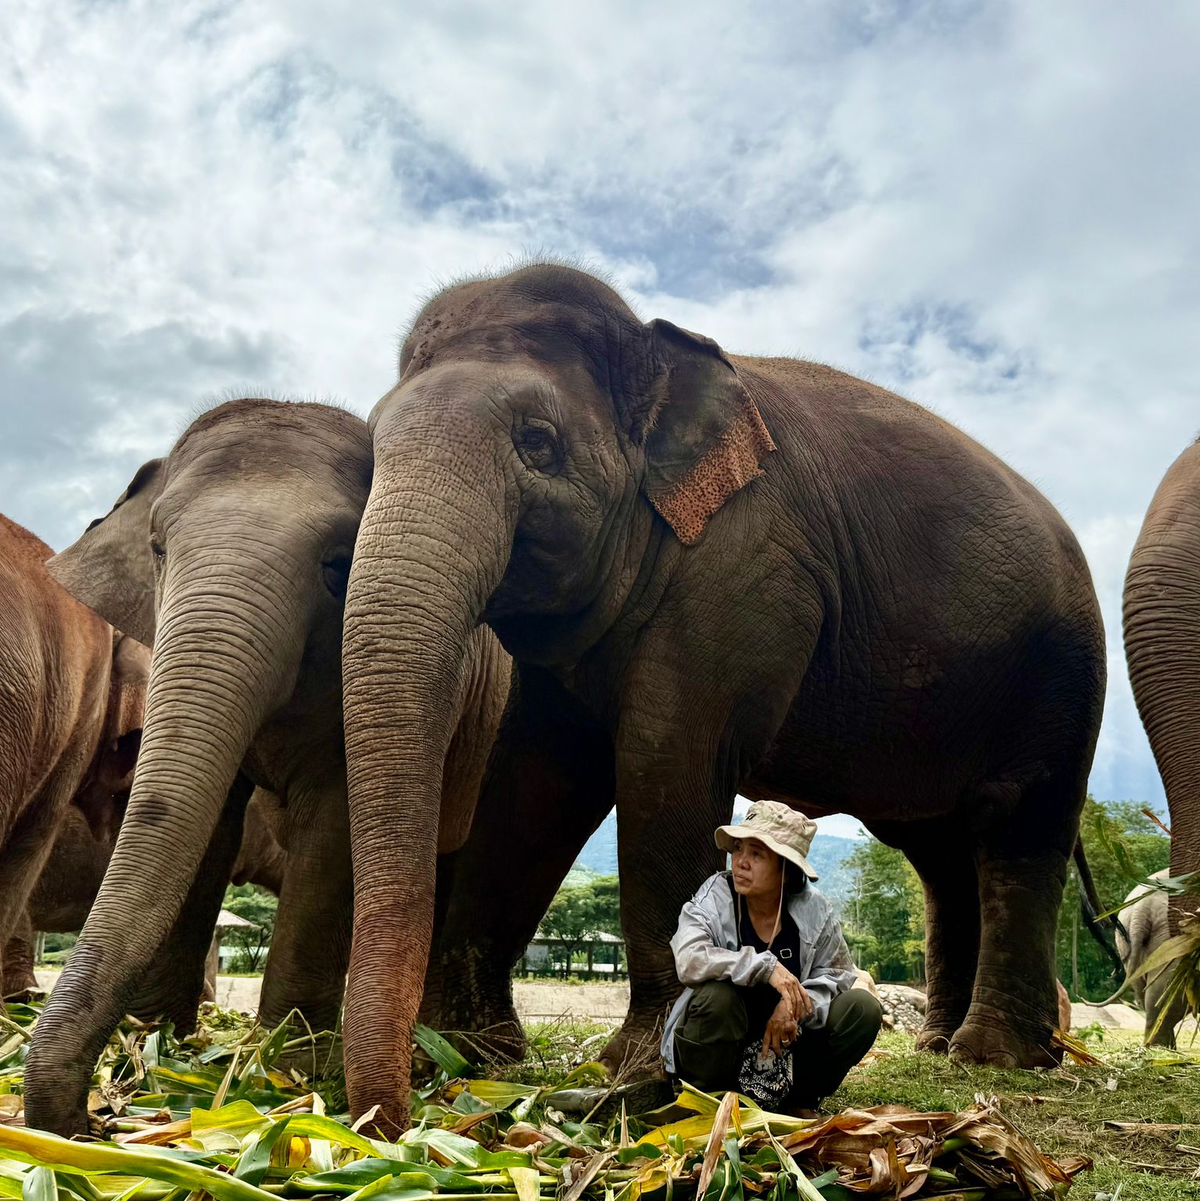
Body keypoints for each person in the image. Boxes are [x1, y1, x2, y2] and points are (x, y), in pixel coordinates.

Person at [660, 800, 882, 1111]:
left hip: (786, 1051)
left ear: (786, 870)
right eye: (738, 849)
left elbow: (837, 974)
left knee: (863, 1008)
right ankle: (707, 1102)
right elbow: (689, 957)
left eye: (756, 853)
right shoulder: (716, 894)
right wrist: (766, 967)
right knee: (715, 998)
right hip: (722, 1047)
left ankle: (800, 1099)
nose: (740, 862)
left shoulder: (815, 910)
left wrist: (795, 1007)